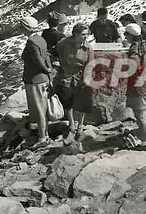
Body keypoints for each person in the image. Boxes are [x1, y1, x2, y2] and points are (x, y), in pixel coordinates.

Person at [55, 23, 95, 145]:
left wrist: (87, 79)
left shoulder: (88, 48)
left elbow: (91, 64)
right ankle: (72, 125)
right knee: (68, 101)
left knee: (81, 102)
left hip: (80, 77)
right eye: (82, 34)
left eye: (86, 34)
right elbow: (54, 53)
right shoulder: (64, 43)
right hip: (66, 76)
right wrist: (56, 64)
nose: (85, 37)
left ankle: (80, 126)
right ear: (75, 34)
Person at [20, 16, 52, 150]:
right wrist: (49, 74)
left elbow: (38, 62)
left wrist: (46, 70)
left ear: (26, 27)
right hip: (42, 79)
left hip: (35, 79)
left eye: (21, 26)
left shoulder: (31, 43)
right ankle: (44, 135)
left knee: (39, 109)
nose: (19, 28)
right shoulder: (40, 39)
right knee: (42, 108)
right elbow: (47, 57)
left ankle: (42, 138)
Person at [124, 23, 146, 151]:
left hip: (139, 88)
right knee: (145, 115)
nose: (125, 36)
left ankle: (144, 143)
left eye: (126, 34)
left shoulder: (134, 52)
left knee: (140, 116)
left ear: (131, 36)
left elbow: (133, 68)